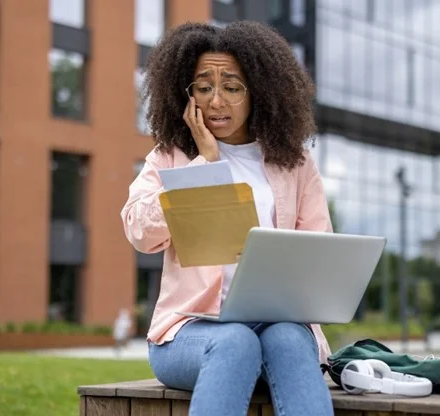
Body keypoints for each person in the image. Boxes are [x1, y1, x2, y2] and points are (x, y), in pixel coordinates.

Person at [121, 21, 334, 416]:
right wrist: (204, 165)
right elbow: (139, 231)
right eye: (204, 87)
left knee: (288, 337)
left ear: (259, 93)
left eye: (232, 87)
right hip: (188, 335)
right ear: (186, 96)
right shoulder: (172, 156)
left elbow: (316, 256)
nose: (216, 101)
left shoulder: (297, 164)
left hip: (276, 331)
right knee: (235, 340)